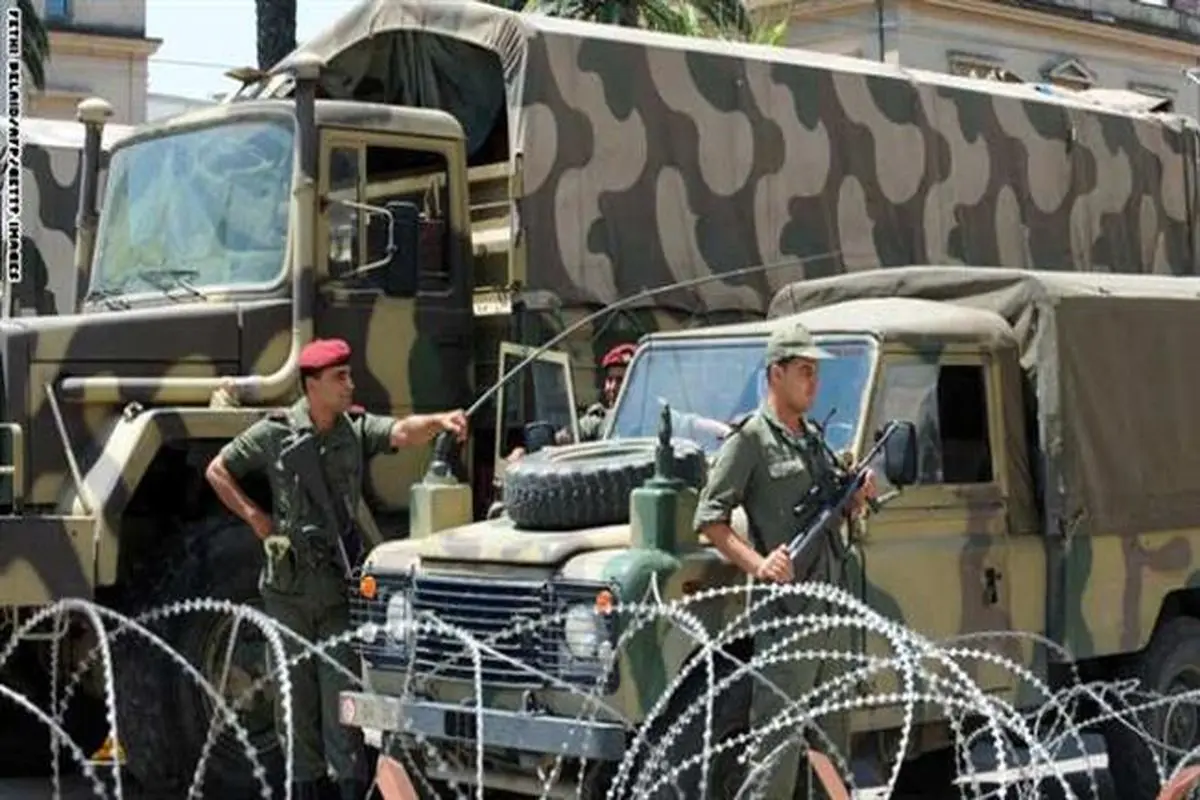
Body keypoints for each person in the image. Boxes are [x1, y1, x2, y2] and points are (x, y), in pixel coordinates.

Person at [204, 338, 467, 800]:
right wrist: (256, 518)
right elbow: (217, 470)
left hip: (336, 590)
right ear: (312, 385)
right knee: (295, 705)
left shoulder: (353, 430)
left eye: (348, 375)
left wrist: (441, 421)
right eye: (339, 377)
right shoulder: (275, 433)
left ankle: (349, 788)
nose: (350, 385)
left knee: (342, 703)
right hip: (289, 592)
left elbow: (401, 432)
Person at [692, 321, 877, 799]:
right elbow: (710, 519)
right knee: (776, 755)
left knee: (832, 754)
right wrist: (758, 564)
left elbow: (836, 507)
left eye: (816, 372)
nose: (814, 382)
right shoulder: (751, 440)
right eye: (804, 371)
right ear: (776, 373)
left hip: (830, 611)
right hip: (787, 619)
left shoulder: (813, 438)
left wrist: (856, 497)